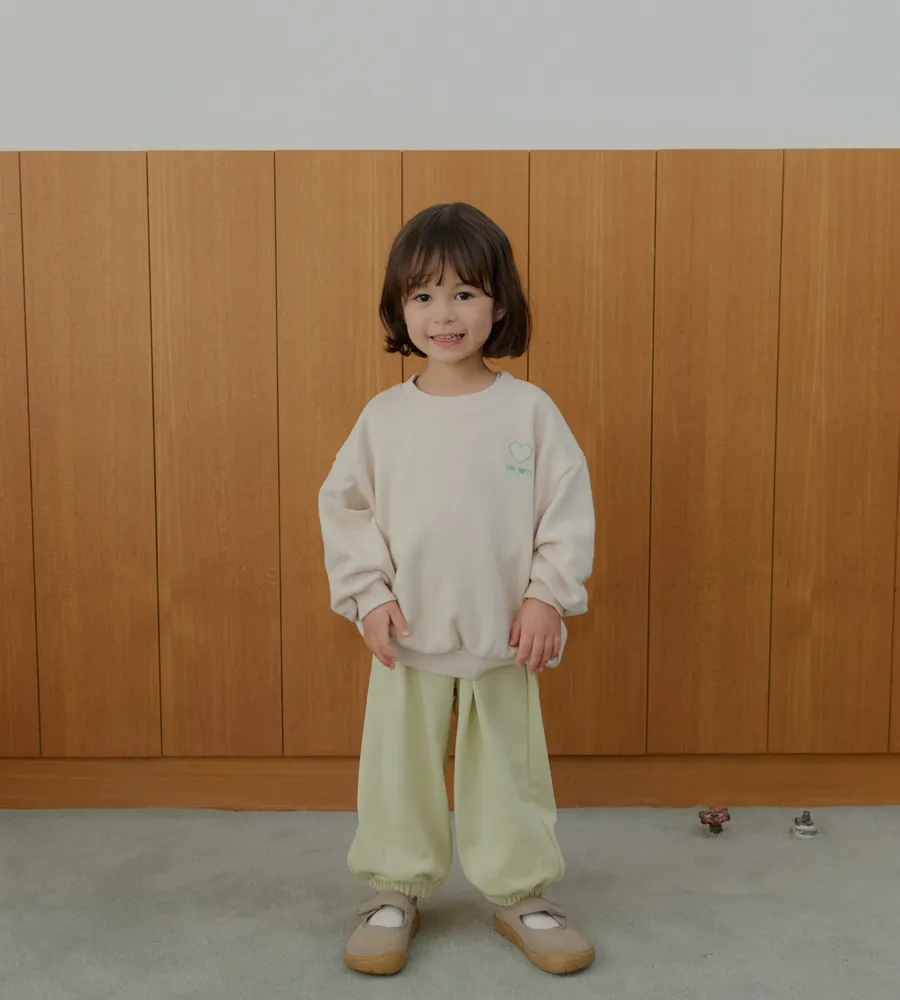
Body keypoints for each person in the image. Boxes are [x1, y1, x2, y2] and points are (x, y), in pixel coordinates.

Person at [318, 202, 596, 976]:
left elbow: (565, 510)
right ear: (399, 308)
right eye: (423, 295)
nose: (444, 315)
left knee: (510, 769)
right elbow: (346, 510)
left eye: (465, 293)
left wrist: (546, 595)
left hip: (504, 636)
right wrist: (368, 596)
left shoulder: (529, 412)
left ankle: (522, 893)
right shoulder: (384, 418)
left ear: (499, 304)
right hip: (406, 637)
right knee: (398, 768)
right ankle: (393, 888)